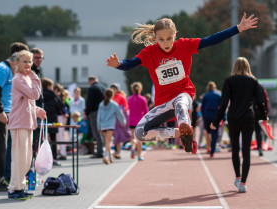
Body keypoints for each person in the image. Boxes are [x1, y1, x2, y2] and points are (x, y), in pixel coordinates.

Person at [106, 13, 258, 153]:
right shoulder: (149, 53)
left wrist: (238, 28)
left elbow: (211, 40)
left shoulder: (184, 45)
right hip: (164, 104)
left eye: (169, 38)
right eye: (161, 39)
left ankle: (184, 124)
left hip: (183, 94)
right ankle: (182, 133)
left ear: (175, 35)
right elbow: (130, 63)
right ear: (155, 37)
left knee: (180, 103)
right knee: (140, 133)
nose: (166, 43)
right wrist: (118, 64)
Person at [210, 57, 268, 193]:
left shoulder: (229, 81)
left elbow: (223, 104)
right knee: (246, 150)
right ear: (248, 66)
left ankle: (237, 176)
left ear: (235, 67)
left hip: (234, 118)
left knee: (235, 149)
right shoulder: (254, 81)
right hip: (248, 118)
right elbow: (260, 102)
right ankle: (243, 183)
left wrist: (215, 121)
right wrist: (264, 117)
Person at [7, 50, 46, 200]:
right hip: (19, 123)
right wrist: (35, 77)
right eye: (24, 61)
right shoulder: (20, 79)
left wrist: (37, 110)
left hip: (27, 122)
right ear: (17, 63)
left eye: (29, 62)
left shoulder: (26, 78)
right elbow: (35, 95)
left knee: (26, 158)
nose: (28, 65)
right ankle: (14, 188)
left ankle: (20, 186)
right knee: (19, 157)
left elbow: (27, 102)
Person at [0, 42, 29, 191]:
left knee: (8, 147)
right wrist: (0, 111)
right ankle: (0, 179)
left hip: (10, 113)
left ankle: (6, 176)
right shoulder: (3, 70)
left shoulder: (12, 70)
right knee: (1, 147)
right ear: (15, 54)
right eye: (23, 59)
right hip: (1, 113)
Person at [97, 88, 126, 164]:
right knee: (108, 142)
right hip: (110, 125)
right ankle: (106, 156)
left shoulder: (101, 104)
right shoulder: (114, 104)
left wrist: (98, 127)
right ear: (112, 95)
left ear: (104, 95)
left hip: (103, 126)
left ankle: (109, 157)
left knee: (107, 142)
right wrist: (123, 122)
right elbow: (120, 115)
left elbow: (98, 116)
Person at [41, 77, 63, 166]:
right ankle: (54, 158)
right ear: (48, 85)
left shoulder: (39, 93)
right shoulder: (53, 94)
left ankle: (42, 159)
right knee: (53, 140)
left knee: (41, 139)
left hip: (42, 118)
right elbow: (60, 105)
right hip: (52, 119)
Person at [85, 76, 106, 158]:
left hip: (94, 112)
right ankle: (104, 149)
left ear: (90, 81)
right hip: (103, 111)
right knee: (103, 132)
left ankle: (99, 151)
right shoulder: (103, 87)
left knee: (96, 132)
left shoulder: (92, 88)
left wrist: (86, 112)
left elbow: (89, 102)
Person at [128, 82, 149, 161]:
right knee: (140, 138)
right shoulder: (143, 99)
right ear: (140, 89)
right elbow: (146, 111)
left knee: (133, 137)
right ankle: (139, 156)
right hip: (140, 121)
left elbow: (128, 109)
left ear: (132, 90)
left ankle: (133, 147)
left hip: (131, 120)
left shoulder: (129, 99)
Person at [110, 83, 131, 159]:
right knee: (117, 137)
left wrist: (121, 114)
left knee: (126, 136)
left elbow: (126, 107)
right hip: (113, 120)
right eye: (112, 89)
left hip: (121, 120)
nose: (113, 90)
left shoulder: (121, 97)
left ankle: (134, 148)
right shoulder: (110, 98)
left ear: (117, 89)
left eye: (114, 89)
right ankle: (118, 152)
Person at [201, 81, 222, 158]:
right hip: (215, 116)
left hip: (207, 115)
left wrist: (203, 116)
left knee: (207, 131)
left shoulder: (205, 96)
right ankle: (212, 151)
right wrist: (222, 117)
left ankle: (208, 148)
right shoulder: (218, 95)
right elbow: (222, 107)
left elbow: (202, 108)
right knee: (214, 133)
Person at [253, 84, 269, 157]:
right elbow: (266, 100)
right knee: (259, 131)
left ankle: (258, 146)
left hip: (251, 112)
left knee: (253, 131)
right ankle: (260, 147)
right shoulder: (261, 87)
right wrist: (267, 112)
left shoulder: (248, 86)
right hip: (260, 112)